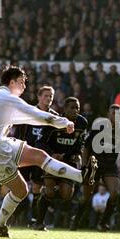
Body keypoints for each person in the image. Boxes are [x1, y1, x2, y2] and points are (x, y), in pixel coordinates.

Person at [0, 66, 97, 238]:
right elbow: (35, 113)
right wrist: (63, 122)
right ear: (12, 82)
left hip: (0, 144)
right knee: (21, 191)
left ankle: (81, 176)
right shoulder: (6, 97)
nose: (24, 86)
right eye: (22, 82)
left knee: (39, 156)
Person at [34, 97, 91, 231]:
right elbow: (40, 142)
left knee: (66, 195)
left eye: (77, 107)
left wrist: (69, 156)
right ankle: (39, 222)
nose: (75, 110)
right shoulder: (54, 122)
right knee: (49, 190)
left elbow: (80, 144)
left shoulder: (82, 123)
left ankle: (47, 197)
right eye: (72, 107)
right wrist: (51, 154)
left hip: (68, 160)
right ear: (64, 109)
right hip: (52, 160)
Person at [70, 104, 120, 231]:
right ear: (109, 114)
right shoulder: (99, 127)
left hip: (110, 165)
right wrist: (85, 165)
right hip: (94, 163)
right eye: (114, 113)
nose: (116, 116)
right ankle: (76, 220)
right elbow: (86, 147)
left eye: (119, 114)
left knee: (115, 193)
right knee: (86, 196)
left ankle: (103, 223)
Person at [11, 86, 58, 227]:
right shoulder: (29, 112)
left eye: (51, 96)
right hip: (25, 153)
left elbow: (55, 138)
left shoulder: (54, 117)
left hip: (41, 157)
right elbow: (18, 132)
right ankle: (13, 216)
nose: (48, 99)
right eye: (46, 96)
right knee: (19, 186)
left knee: (37, 188)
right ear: (39, 97)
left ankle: (34, 220)